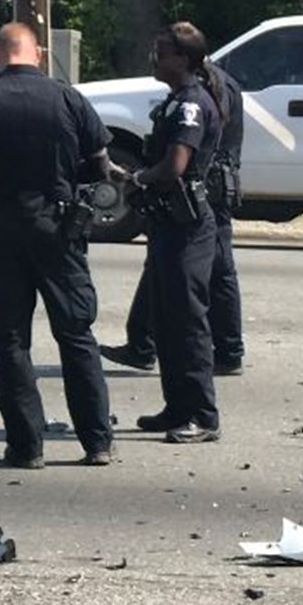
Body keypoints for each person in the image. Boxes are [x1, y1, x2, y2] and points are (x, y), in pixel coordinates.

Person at [0, 22, 120, 468]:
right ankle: (96, 442)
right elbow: (99, 165)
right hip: (58, 228)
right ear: (37, 53)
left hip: (1, 228)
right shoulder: (68, 98)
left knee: (10, 339)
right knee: (76, 334)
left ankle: (26, 447)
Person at [102, 59, 244, 376]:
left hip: (205, 189)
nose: (155, 60)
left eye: (163, 52)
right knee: (161, 262)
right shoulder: (210, 84)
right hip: (199, 188)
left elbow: (201, 143)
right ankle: (141, 342)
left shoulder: (207, 89)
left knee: (218, 269)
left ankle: (228, 350)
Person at [124, 22, 224, 443]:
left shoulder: (191, 105)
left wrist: (139, 178)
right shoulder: (174, 100)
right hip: (167, 223)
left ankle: (202, 414)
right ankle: (176, 406)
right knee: (165, 319)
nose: (154, 58)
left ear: (182, 59)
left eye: (161, 52)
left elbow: (175, 167)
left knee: (187, 320)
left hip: (189, 226)